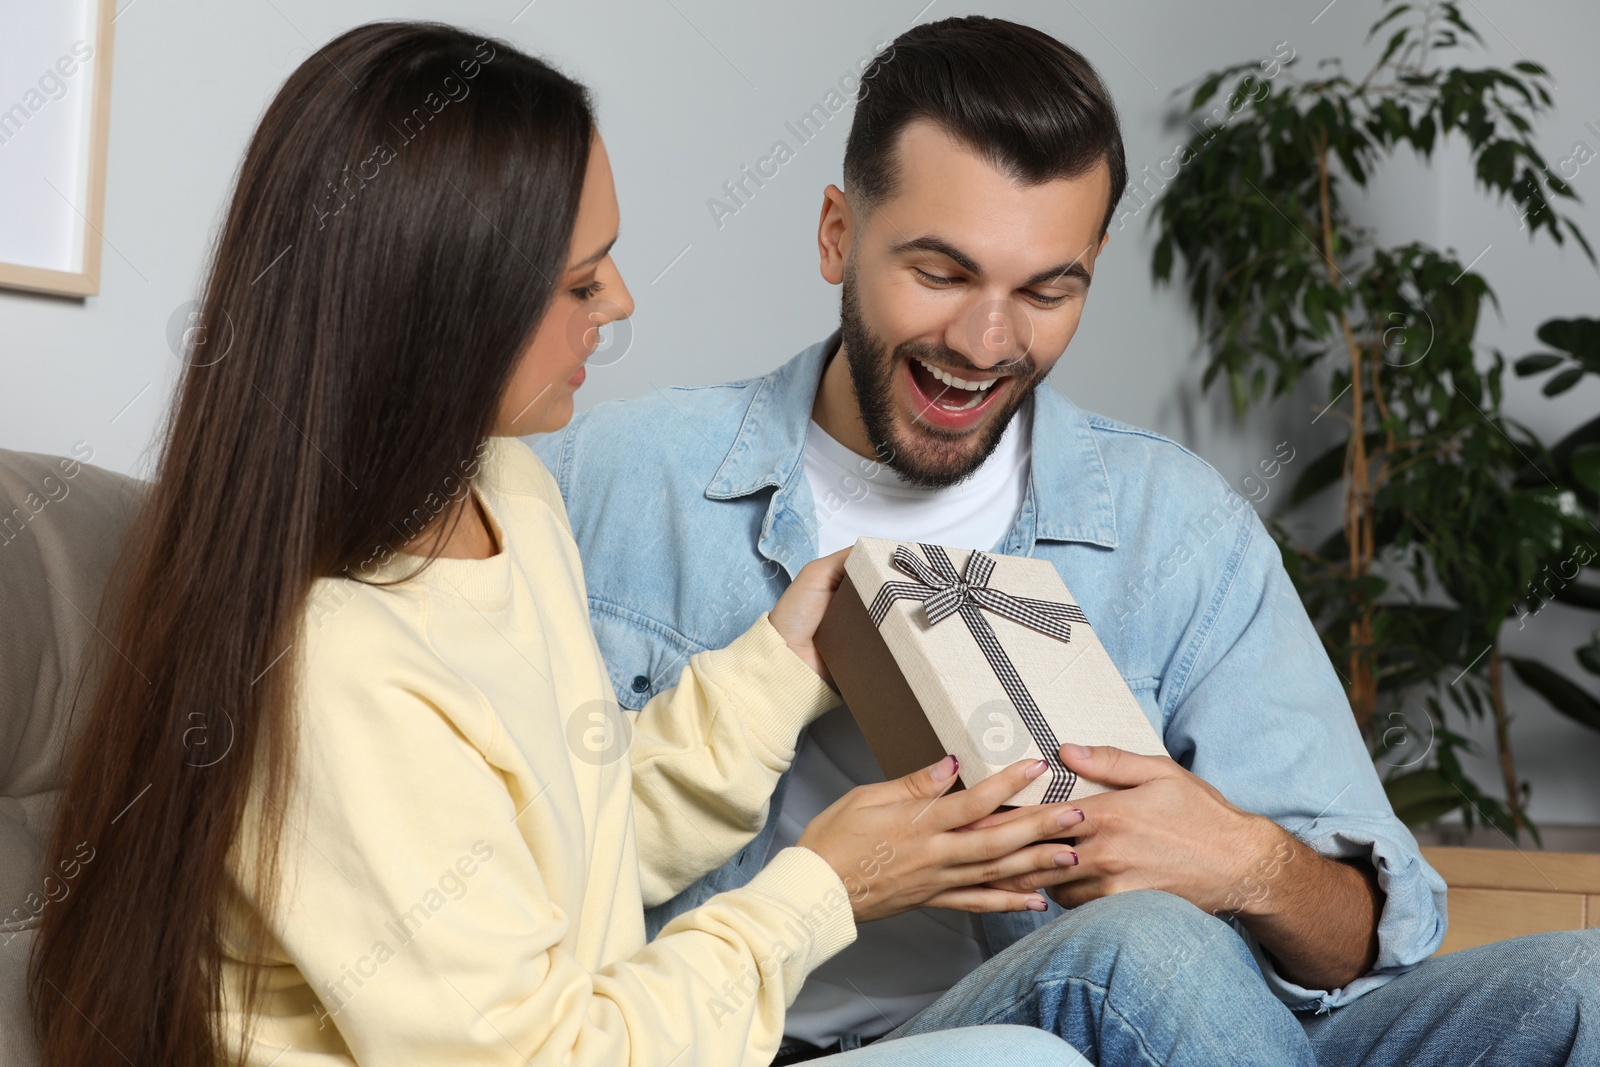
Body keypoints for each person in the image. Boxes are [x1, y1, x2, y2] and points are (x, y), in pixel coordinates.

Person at [536, 14, 1600, 1067]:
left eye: (1047, 289)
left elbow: (1366, 935)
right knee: (1140, 952)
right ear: (835, 235)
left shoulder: (1173, 525)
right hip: (817, 1036)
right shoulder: (608, 481)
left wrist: (1244, 862)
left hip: (1196, 1033)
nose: (986, 342)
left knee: (1579, 988)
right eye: (941, 273)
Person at [26, 22, 1092, 1067]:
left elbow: (577, 846)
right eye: (581, 282)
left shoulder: (505, 492)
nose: (620, 302)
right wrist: (826, 887)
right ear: (445, 306)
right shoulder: (337, 668)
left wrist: (785, 658)